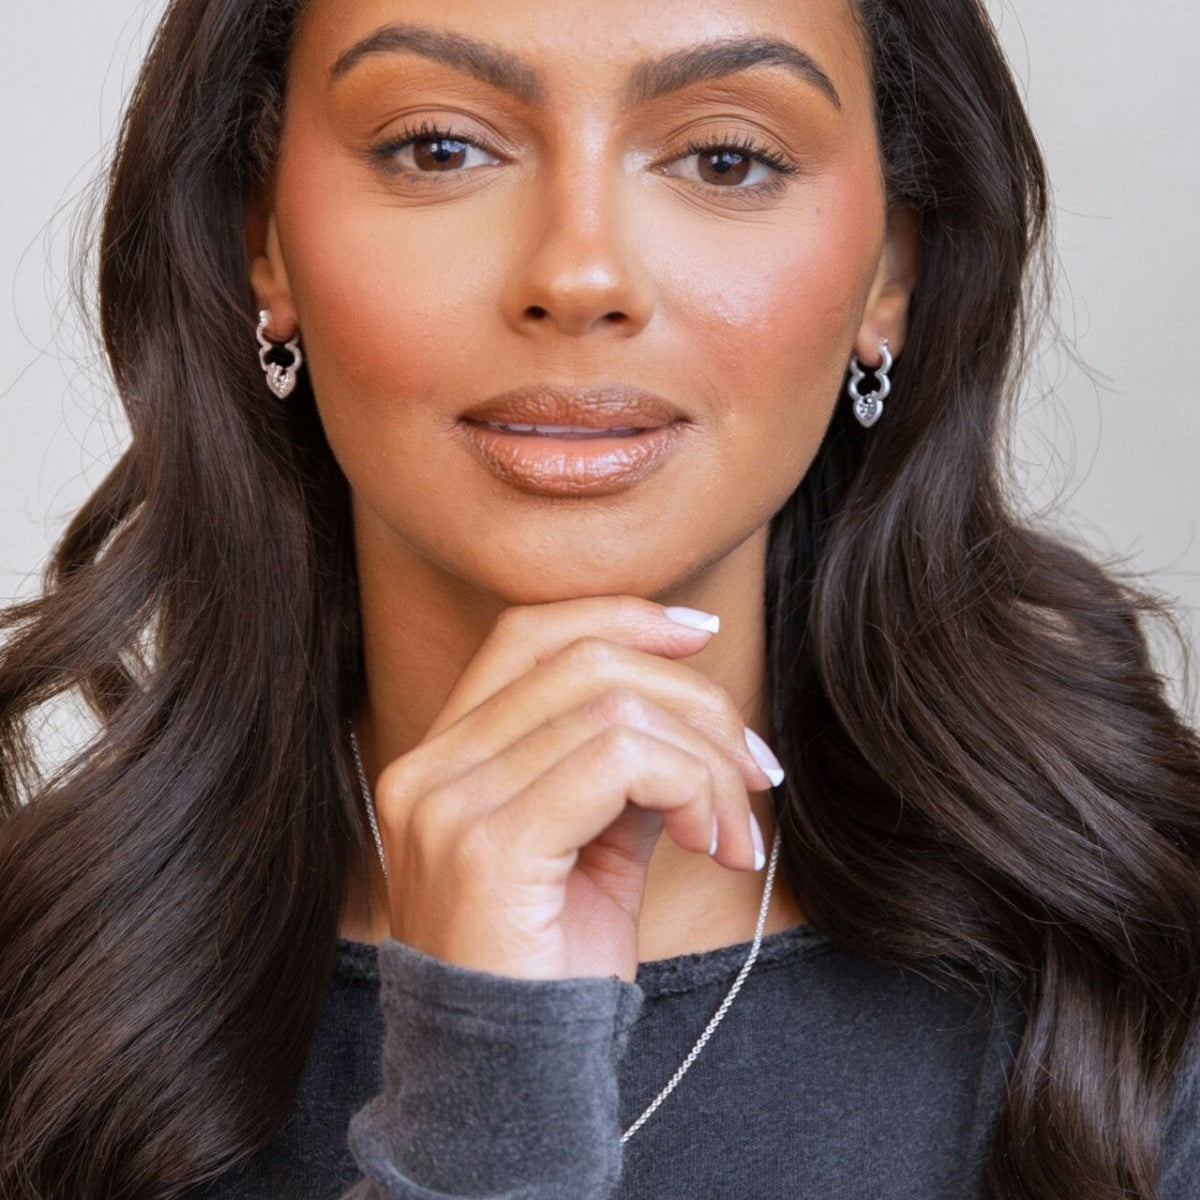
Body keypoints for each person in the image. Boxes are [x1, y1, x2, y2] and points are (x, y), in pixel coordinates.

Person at [1, 0, 1198, 1196]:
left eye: (726, 158)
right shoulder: (39, 1009)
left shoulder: (1147, 975)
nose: (579, 277)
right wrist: (481, 1108)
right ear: (264, 238)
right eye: (438, 147)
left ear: (893, 267)